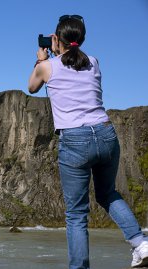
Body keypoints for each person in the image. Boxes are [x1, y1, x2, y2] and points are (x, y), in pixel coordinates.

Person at [28, 15, 147, 269]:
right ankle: (141, 243)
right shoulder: (93, 62)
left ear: (56, 39)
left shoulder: (47, 66)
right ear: (81, 39)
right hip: (105, 134)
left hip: (75, 140)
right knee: (108, 193)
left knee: (76, 215)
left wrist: (41, 58)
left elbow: (32, 87)